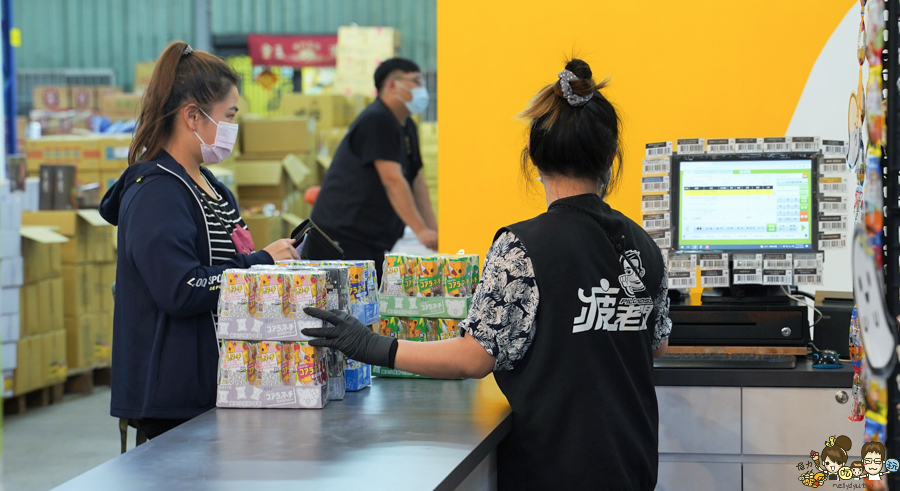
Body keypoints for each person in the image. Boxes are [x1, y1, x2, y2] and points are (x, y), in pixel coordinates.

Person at [303, 59, 672, 491]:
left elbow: (473, 357)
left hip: (555, 469)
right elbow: (658, 343)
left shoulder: (522, 246)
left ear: (533, 156)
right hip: (633, 463)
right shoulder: (643, 244)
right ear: (611, 157)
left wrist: (374, 346)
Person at [99, 41, 299, 440]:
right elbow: (182, 287)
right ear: (193, 116)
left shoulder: (213, 189)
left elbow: (228, 263)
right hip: (174, 398)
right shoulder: (157, 193)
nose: (232, 129)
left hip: (220, 385)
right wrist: (259, 263)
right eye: (229, 116)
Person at [303, 58, 437, 279]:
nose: (421, 89)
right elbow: (392, 180)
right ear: (392, 85)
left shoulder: (406, 125)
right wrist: (421, 231)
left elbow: (417, 181)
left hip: (372, 239)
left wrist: (436, 232)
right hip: (343, 239)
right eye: (415, 81)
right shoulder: (377, 120)